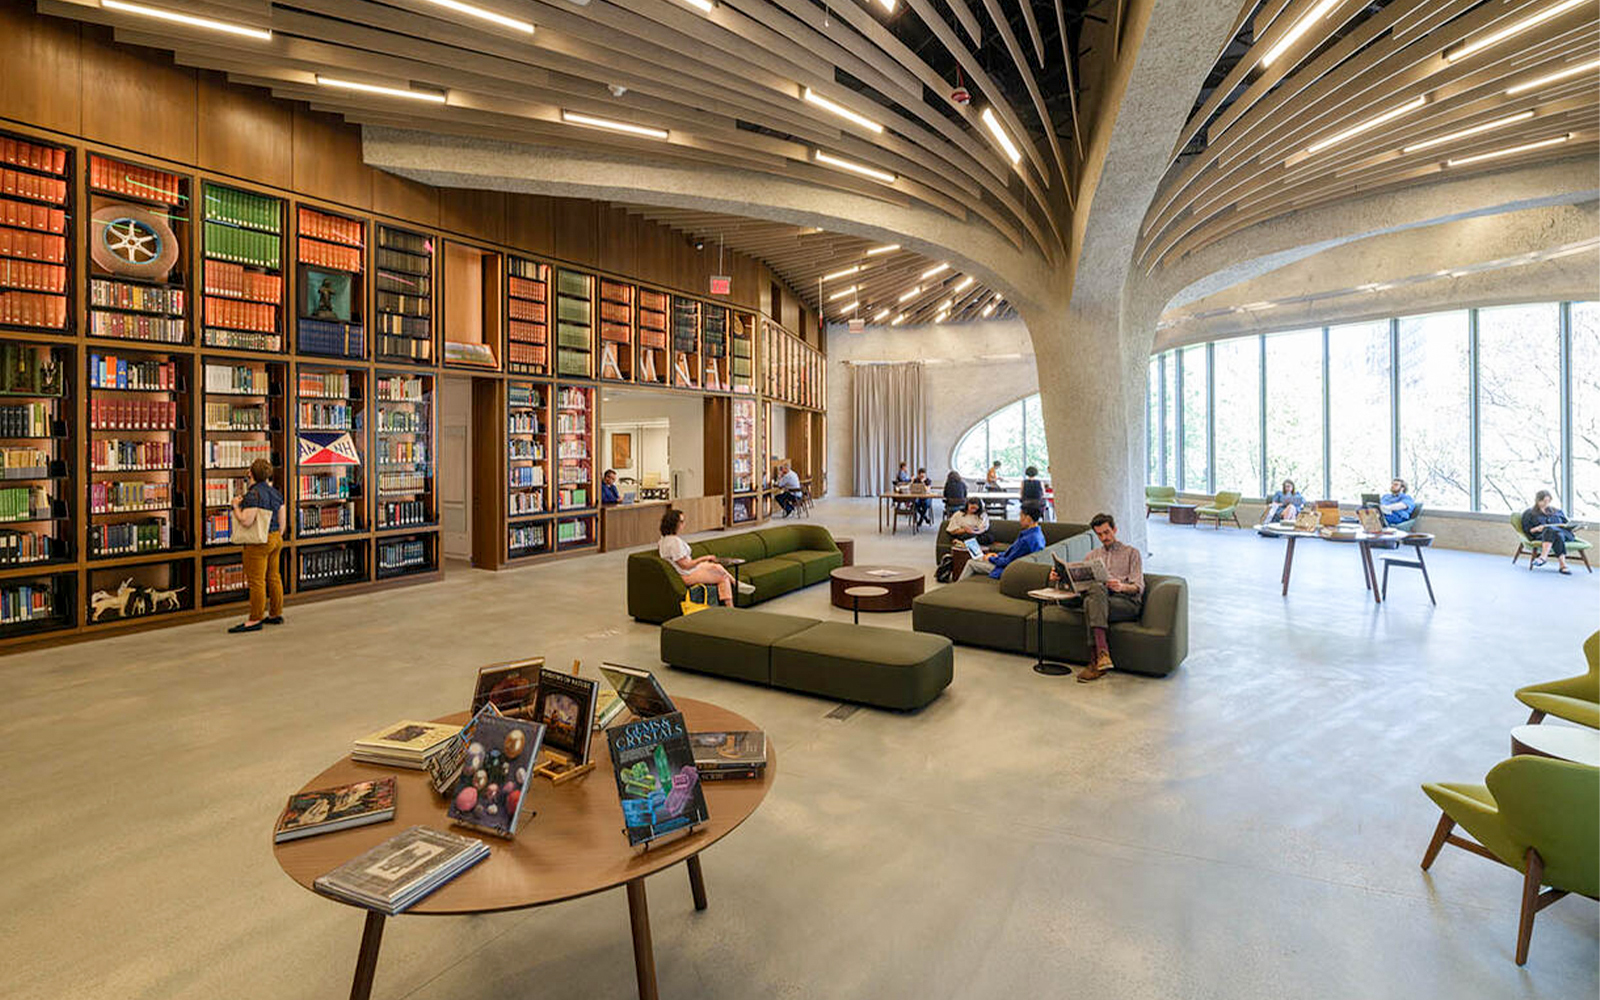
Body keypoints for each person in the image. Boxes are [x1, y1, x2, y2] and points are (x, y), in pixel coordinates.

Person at [1050, 512, 1143, 683]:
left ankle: (1096, 659)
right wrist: (1060, 577)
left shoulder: (1132, 553)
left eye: (1107, 532)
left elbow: (1138, 587)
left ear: (1115, 529)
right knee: (1094, 594)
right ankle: (1102, 656)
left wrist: (1121, 586)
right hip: (1099, 598)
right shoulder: (1091, 556)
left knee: (1091, 600)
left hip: (1125, 602)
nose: (1104, 537)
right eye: (1099, 534)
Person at [228, 458, 285, 634]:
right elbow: (283, 521)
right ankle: (275, 614)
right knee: (274, 577)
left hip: (258, 542)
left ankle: (255, 619)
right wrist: (276, 535)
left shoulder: (253, 495)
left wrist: (235, 506)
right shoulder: (276, 493)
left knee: (256, 581)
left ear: (250, 474)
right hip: (276, 538)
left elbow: (246, 520)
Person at [658, 508, 755, 606]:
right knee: (723, 577)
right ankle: (730, 608)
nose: (684, 524)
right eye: (681, 521)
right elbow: (686, 565)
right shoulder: (675, 542)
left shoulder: (663, 540)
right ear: (674, 523)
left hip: (685, 571)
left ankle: (736, 583)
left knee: (716, 567)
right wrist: (704, 558)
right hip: (686, 574)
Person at [960, 501, 1045, 579]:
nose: (1020, 519)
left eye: (1021, 516)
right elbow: (1011, 554)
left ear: (1028, 518)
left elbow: (1007, 562)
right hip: (1009, 564)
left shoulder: (1026, 540)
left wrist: (991, 559)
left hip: (1007, 569)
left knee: (971, 563)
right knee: (979, 558)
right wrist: (997, 555)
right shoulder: (1037, 534)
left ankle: (956, 588)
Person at [1522, 490, 1578, 574]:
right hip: (1542, 535)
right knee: (1555, 533)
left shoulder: (1557, 511)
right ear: (1537, 500)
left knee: (1552, 529)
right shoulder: (1529, 513)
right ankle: (1563, 565)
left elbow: (1566, 524)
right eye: (1544, 501)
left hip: (1565, 534)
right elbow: (1527, 529)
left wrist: (1574, 528)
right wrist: (1537, 529)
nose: (1546, 503)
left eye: (1548, 501)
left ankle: (1543, 557)